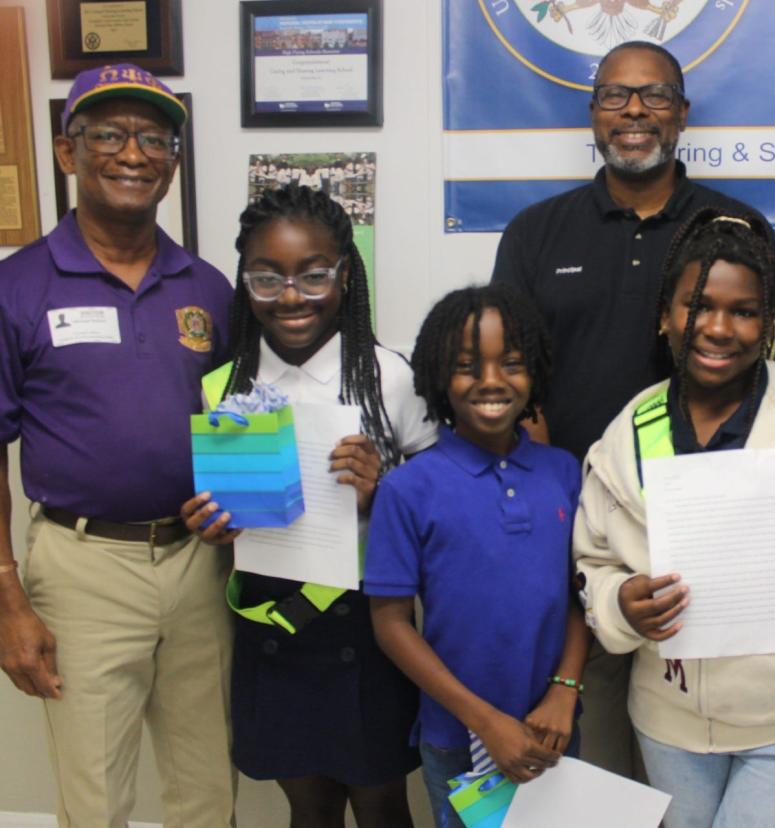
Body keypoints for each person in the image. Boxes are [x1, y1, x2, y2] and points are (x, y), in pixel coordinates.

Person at [491, 39, 775, 777]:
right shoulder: (537, 232)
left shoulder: (737, 230)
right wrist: (561, 509)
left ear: (683, 114)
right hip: (577, 536)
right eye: (616, 96)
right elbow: (510, 383)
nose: (635, 112)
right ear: (592, 115)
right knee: (588, 761)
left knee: (690, 759)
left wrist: (724, 517)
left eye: (655, 95)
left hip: (707, 537)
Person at [574, 207, 775, 828]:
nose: (718, 328)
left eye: (743, 311)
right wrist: (621, 604)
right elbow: (593, 560)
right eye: (697, 305)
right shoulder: (630, 430)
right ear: (665, 315)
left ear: (769, 322)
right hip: (666, 724)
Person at [0, 64, 235, 827]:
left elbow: (242, 422)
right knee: (97, 797)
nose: (133, 153)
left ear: (172, 161)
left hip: (198, 564)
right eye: (108, 134)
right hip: (81, 566)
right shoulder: (17, 286)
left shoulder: (206, 288)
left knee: (206, 787)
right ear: (69, 154)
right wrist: (8, 600)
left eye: (154, 138)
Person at [181, 184, 434, 828]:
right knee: (308, 806)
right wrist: (212, 527)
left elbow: (443, 503)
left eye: (313, 275)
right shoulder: (223, 385)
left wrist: (387, 485)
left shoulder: (389, 378)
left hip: (369, 628)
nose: (290, 296)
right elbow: (225, 510)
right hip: (273, 626)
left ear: (345, 275)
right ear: (245, 282)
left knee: (380, 803)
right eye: (266, 278)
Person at [366, 285, 589, 828]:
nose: (491, 381)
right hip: (458, 736)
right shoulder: (407, 488)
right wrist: (486, 722)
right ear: (440, 377)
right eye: (468, 366)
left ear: (533, 371)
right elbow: (391, 625)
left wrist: (565, 690)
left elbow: (581, 595)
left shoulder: (563, 472)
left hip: (552, 727)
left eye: (511, 363)